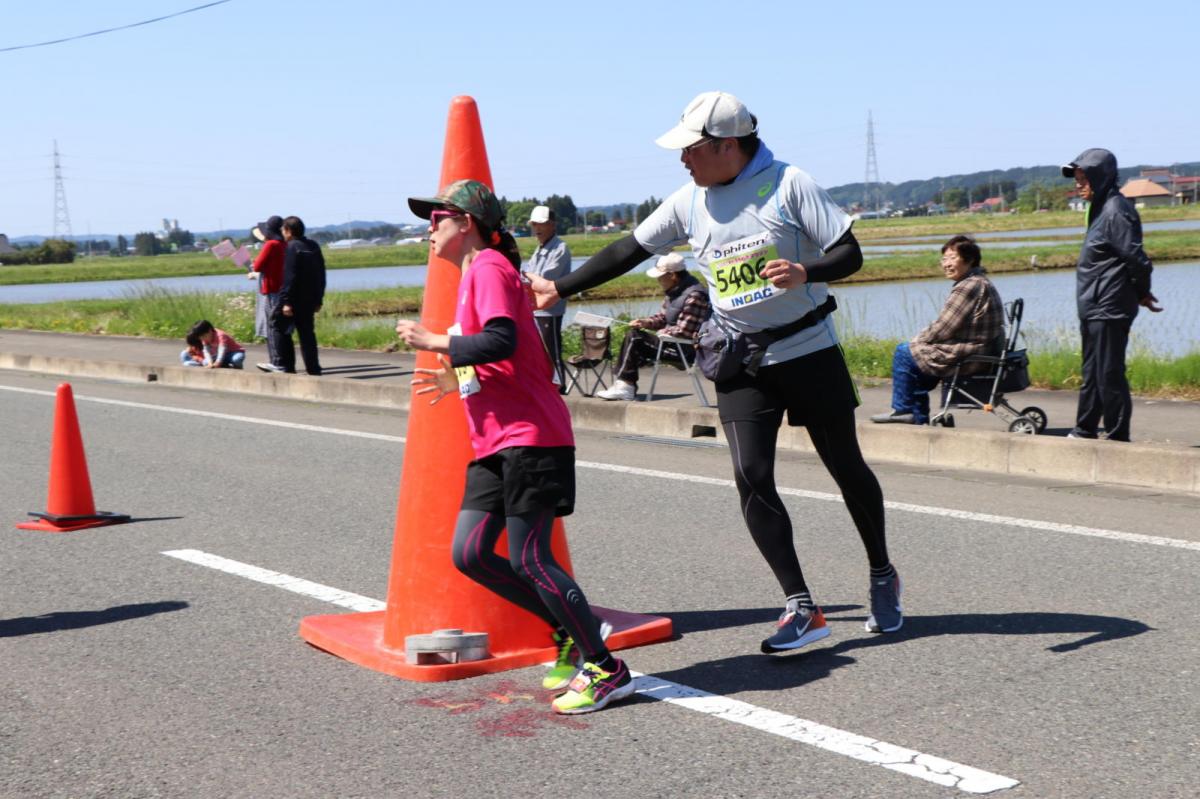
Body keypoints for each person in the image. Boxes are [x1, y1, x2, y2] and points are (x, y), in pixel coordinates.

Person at [527, 91, 902, 650]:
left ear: (727, 145)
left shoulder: (789, 183)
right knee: (750, 476)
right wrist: (561, 285)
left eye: (691, 150)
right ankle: (800, 605)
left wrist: (805, 270)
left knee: (845, 467)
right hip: (738, 356)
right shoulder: (689, 199)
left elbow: (850, 253)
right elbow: (629, 249)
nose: (683, 160)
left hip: (806, 348)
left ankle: (881, 574)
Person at [395, 179, 633, 715]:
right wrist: (456, 379)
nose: (428, 230)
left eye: (437, 219)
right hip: (496, 439)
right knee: (472, 553)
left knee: (530, 557)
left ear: (467, 223)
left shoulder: (489, 269)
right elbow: (508, 357)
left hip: (530, 437)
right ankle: (570, 631)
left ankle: (605, 667)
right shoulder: (473, 274)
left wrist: (437, 342)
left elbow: (500, 338)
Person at [1062, 148, 1162, 442]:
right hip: (1094, 306)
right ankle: (1085, 429)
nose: (1078, 185)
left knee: (1109, 374)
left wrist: (1142, 292)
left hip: (1110, 305)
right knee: (1092, 373)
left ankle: (1118, 437)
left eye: (1083, 178)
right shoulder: (1101, 208)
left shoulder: (1116, 210)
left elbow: (1136, 259)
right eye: (1076, 179)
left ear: (1100, 177)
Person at [871, 235, 1004, 425]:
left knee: (904, 352)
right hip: (979, 350)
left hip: (969, 355)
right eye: (944, 259)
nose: (947, 264)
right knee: (916, 363)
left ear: (970, 259)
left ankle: (903, 410)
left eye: (953, 258)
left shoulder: (968, 287)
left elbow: (944, 327)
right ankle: (917, 419)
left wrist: (917, 340)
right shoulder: (980, 281)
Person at [595, 251, 712, 401]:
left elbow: (685, 331)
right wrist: (645, 322)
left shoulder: (695, 295)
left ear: (673, 276)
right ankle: (623, 384)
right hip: (670, 343)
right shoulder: (674, 291)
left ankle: (625, 386)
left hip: (685, 350)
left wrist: (662, 332)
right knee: (634, 334)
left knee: (635, 338)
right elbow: (663, 317)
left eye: (660, 277)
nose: (658, 280)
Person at [526, 205, 572, 389]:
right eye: (534, 224)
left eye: (542, 224)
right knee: (539, 351)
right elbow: (529, 274)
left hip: (550, 309)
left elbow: (545, 277)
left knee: (551, 349)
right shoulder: (540, 248)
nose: (537, 228)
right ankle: (546, 384)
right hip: (536, 309)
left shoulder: (560, 248)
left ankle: (559, 385)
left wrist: (528, 277)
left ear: (552, 225)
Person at [274, 215, 327, 376]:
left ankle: (286, 366)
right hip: (311, 299)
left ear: (289, 231)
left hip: (294, 299)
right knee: (307, 334)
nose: (283, 233)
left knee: (279, 327)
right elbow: (321, 274)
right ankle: (314, 368)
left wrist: (286, 301)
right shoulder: (313, 245)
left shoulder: (292, 246)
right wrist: (319, 299)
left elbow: (290, 276)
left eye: (283, 230)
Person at [247, 215, 287, 373]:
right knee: (280, 327)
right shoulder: (284, 244)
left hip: (271, 290)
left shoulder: (271, 244)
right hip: (282, 289)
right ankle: (281, 361)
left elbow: (257, 266)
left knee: (272, 326)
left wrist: (253, 264)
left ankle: (276, 361)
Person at [180, 320, 246, 369]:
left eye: (204, 336)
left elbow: (222, 350)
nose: (203, 339)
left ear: (209, 331)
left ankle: (238, 369)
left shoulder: (220, 335)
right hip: (219, 356)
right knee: (206, 362)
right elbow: (206, 351)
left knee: (236, 359)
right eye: (201, 338)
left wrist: (217, 363)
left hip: (232, 353)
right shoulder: (205, 339)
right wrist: (210, 363)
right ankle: (224, 364)